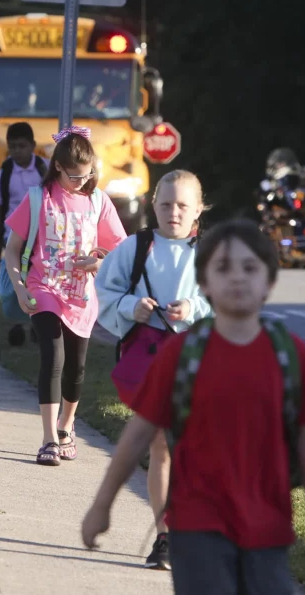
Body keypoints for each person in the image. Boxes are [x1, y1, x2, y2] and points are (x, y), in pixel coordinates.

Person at [81, 218, 305, 594]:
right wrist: (102, 504)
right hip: (197, 526)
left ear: (270, 282)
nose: (236, 278)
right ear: (204, 283)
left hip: (268, 527)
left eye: (250, 268)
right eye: (222, 267)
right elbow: (138, 434)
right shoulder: (181, 356)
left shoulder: (288, 354)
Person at [93, 169, 212, 570]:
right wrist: (132, 307)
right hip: (153, 364)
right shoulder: (133, 248)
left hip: (200, 362)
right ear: (152, 205)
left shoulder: (211, 254)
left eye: (182, 205)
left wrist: (193, 308)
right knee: (162, 446)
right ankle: (166, 536)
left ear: (199, 209)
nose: (173, 212)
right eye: (165, 204)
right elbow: (104, 294)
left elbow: (233, 303)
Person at [3, 126, 128, 466]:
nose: (80, 182)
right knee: (53, 357)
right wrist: (20, 287)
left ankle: (66, 427)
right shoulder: (37, 199)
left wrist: (98, 261)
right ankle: (47, 441)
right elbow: (11, 250)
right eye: (73, 176)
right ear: (57, 166)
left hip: (82, 299)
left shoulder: (97, 201)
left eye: (87, 175)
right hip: (43, 289)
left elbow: (120, 251)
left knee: (76, 368)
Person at [0, 122, 49, 346]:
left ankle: (37, 322)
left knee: (37, 280)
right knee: (17, 280)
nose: (17, 151)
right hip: (13, 236)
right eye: (12, 147)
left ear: (33, 146)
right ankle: (17, 324)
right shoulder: (5, 173)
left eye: (22, 146)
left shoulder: (44, 169)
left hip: (40, 237)